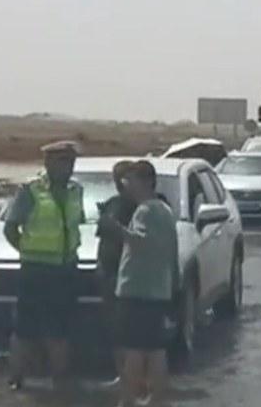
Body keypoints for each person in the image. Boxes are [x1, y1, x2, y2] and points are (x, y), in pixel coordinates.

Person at [3, 140, 84, 390]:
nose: (68, 167)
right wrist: (27, 250)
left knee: (60, 328)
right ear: (48, 163)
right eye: (63, 162)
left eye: (71, 162)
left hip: (65, 269)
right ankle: (16, 378)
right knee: (25, 328)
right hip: (35, 270)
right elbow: (10, 227)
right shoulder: (31, 190)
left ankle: (61, 380)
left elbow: (74, 224)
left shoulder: (75, 190)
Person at [105, 160, 179, 407]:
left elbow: (142, 242)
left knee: (134, 349)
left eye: (132, 181)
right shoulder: (165, 211)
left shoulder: (146, 210)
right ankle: (157, 399)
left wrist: (116, 229)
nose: (128, 186)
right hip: (157, 291)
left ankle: (128, 399)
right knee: (155, 349)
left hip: (137, 290)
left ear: (145, 182)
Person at [95, 160, 136, 386]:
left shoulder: (148, 205)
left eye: (124, 178)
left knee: (135, 332)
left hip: (134, 277)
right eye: (117, 178)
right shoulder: (112, 204)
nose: (120, 183)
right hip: (110, 274)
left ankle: (136, 378)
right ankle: (122, 375)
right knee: (115, 329)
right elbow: (103, 237)